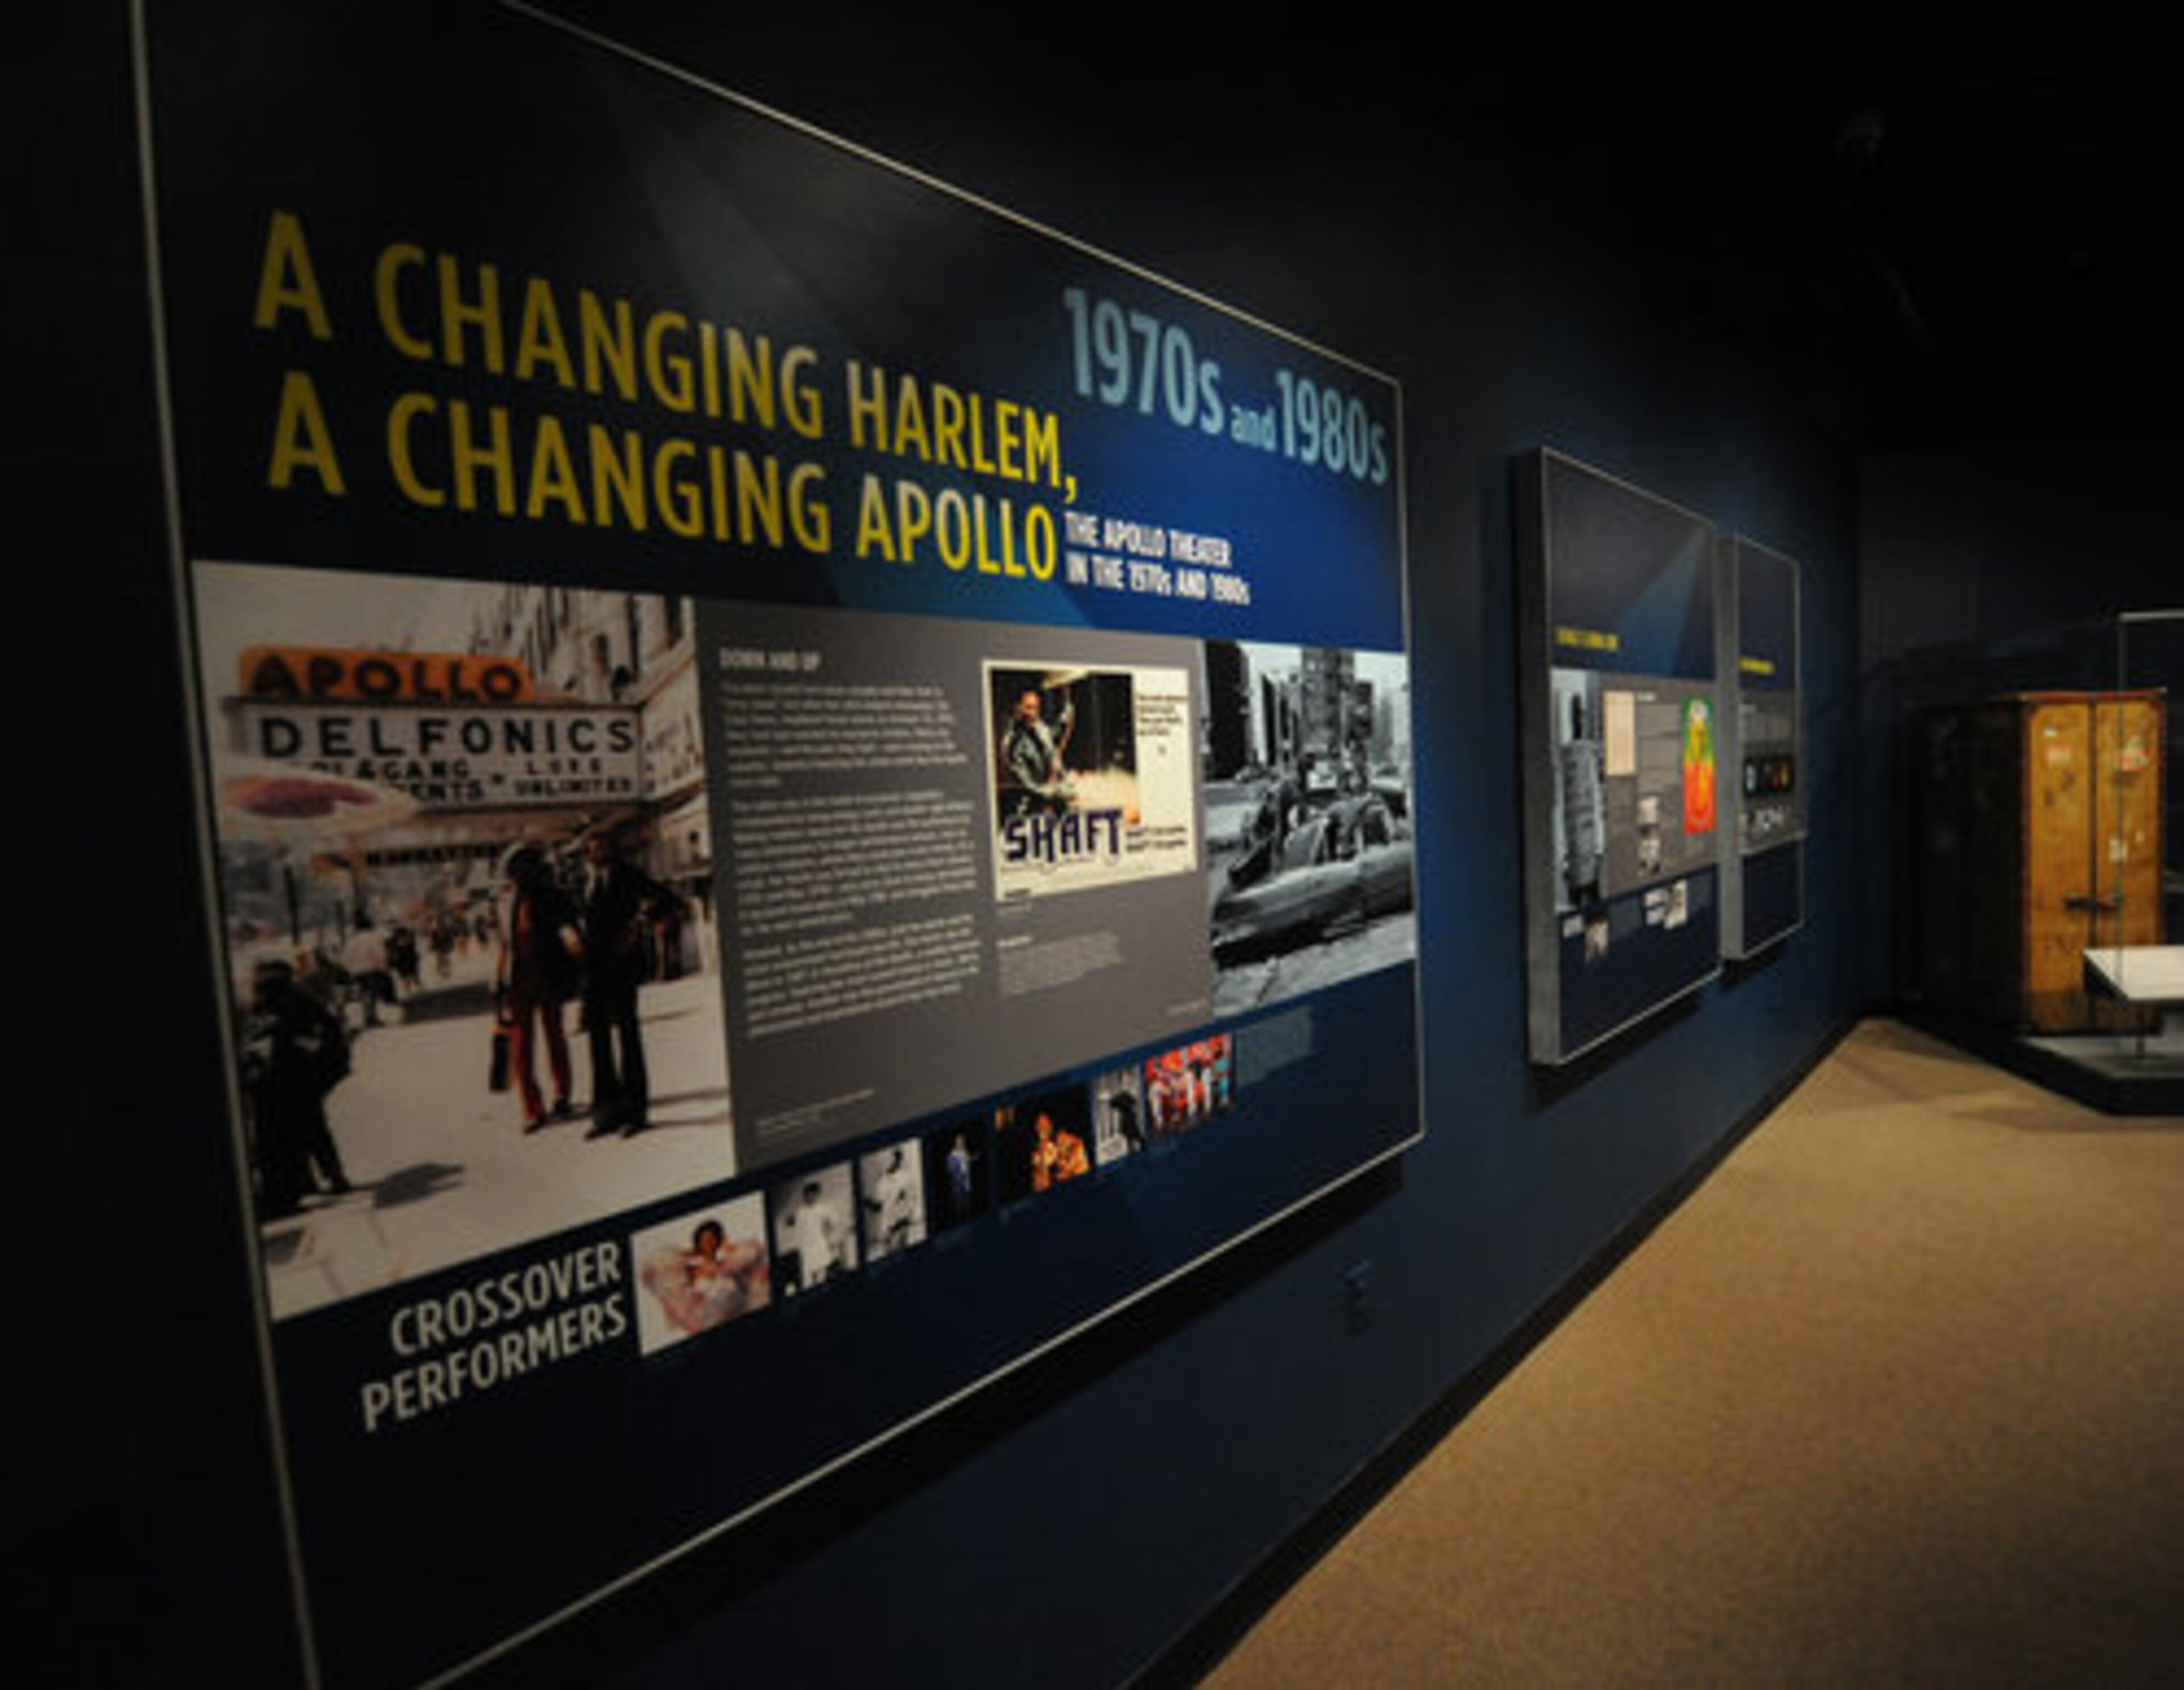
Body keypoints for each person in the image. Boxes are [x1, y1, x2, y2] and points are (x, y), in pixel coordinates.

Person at [578, 824, 684, 1138]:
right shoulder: (580, 879)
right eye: (592, 846)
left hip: (622, 968)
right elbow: (571, 915)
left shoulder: (628, 874)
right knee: (598, 1042)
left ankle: (635, 1113)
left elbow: (666, 899)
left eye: (602, 845)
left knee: (628, 1037)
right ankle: (605, 1113)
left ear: (612, 848)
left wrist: (638, 924)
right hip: (592, 971)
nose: (597, 851)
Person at [241, 956, 351, 1217]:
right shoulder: (282, 1006)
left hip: (291, 1081)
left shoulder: (286, 1007)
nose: (263, 989)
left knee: (298, 1133)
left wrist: (296, 1046)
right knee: (308, 1131)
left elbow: (323, 1038)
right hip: (291, 1082)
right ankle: (319, 1180)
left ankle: (323, 1180)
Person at [495, 843, 580, 1133]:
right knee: (521, 1048)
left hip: (548, 977)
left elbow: (569, 926)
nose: (520, 874)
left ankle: (562, 1095)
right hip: (517, 983)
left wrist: (572, 941)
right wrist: (498, 981)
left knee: (555, 1038)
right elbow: (505, 944)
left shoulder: (554, 896)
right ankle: (532, 1108)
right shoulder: (504, 902)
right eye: (515, 870)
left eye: (526, 867)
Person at [999, 685, 1074, 815]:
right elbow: (1027, 785)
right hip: (1030, 810)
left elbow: (1052, 740)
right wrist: (1055, 791)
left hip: (1055, 802)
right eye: (1028, 708)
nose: (1033, 714)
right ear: (1017, 708)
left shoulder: (1040, 728)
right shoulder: (1012, 744)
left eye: (1036, 708)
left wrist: (1065, 717)